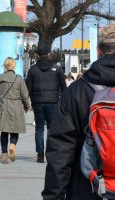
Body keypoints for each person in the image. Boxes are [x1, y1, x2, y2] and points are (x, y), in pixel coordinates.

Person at [42, 24, 115, 200]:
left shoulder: (77, 91)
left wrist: (54, 195)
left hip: (89, 188)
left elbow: (60, 150)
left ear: (98, 51)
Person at [26, 44, 66, 163]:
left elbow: (28, 88)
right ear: (48, 54)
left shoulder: (32, 69)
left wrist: (29, 103)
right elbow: (63, 87)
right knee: (52, 128)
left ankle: (40, 154)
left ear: (38, 55)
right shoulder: (56, 68)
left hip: (38, 102)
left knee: (39, 129)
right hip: (53, 102)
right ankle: (51, 152)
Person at [0, 57, 30, 164]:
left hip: (2, 106)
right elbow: (25, 94)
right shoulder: (19, 79)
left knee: (4, 131)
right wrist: (27, 106)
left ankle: (4, 154)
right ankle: (12, 145)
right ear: (13, 66)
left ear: (5, 65)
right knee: (14, 130)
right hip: (16, 106)